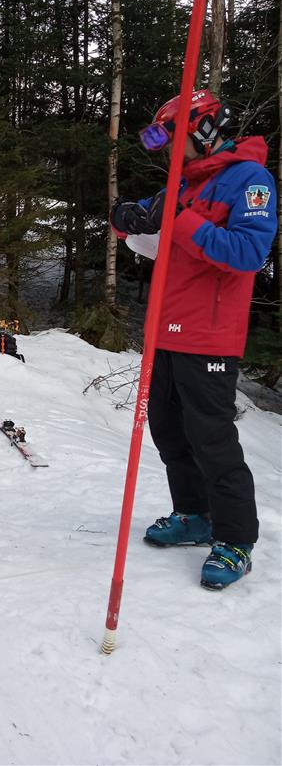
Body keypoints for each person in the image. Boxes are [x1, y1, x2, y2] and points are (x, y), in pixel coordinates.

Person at [111, 88, 277, 590]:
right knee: (168, 428)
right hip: (165, 329)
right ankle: (194, 514)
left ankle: (235, 538)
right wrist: (126, 218)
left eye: (175, 140)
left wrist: (178, 222)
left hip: (208, 334)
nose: (169, 154)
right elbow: (147, 215)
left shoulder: (250, 180)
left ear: (202, 131)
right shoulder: (182, 182)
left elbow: (250, 253)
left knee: (212, 438)